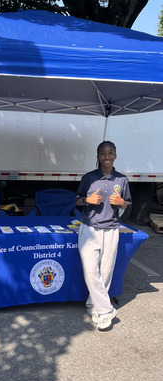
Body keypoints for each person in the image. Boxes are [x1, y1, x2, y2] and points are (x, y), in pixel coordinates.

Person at [75, 141, 132, 330]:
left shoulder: (121, 180)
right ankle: (106, 310)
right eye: (103, 154)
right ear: (97, 156)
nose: (107, 157)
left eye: (110, 153)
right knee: (91, 271)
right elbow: (77, 200)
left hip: (111, 229)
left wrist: (122, 202)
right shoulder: (89, 178)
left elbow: (126, 204)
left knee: (105, 272)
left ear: (115, 155)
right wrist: (87, 200)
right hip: (89, 228)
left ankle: (94, 306)